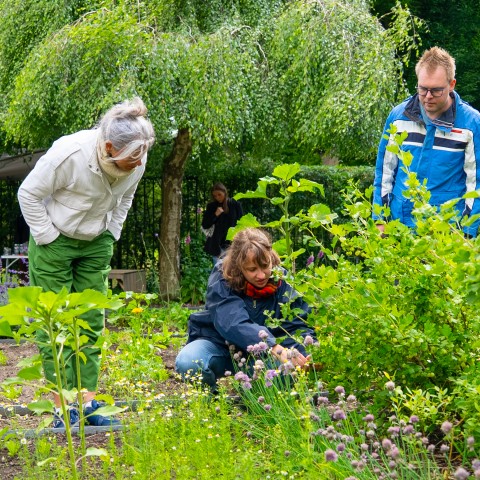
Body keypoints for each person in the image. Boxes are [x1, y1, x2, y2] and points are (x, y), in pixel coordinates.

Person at [17, 97, 155, 428]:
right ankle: (62, 407)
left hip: (96, 243)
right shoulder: (70, 153)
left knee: (92, 319)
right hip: (55, 242)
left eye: (141, 156)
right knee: (57, 323)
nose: (138, 164)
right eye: (131, 158)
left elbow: (126, 197)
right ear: (108, 146)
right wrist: (48, 237)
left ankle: (86, 401)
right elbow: (28, 194)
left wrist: (111, 234)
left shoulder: (137, 159)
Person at [175, 227, 315, 389]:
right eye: (252, 269)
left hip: (262, 358)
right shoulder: (222, 277)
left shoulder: (282, 280)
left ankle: (251, 400)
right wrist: (272, 346)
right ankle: (215, 402)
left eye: (265, 266)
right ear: (239, 266)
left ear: (271, 258)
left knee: (287, 374)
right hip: (220, 345)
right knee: (189, 363)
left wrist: (300, 353)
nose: (262, 275)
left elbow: (297, 326)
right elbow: (233, 322)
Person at [373, 46, 480, 237]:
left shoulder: (471, 124)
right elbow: (384, 172)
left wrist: (468, 233)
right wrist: (380, 219)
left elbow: (477, 184)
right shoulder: (398, 118)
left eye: (436, 90)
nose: (428, 97)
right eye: (423, 89)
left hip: (447, 230)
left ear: (452, 84)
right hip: (400, 226)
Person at [202, 182, 243, 264]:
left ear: (225, 192)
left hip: (232, 245)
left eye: (219, 194)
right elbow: (205, 225)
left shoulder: (235, 204)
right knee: (219, 272)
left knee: (232, 272)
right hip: (217, 245)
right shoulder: (212, 206)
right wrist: (215, 215)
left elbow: (241, 223)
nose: (217, 197)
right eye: (215, 196)